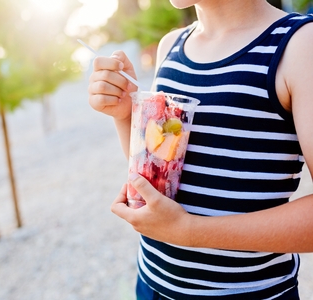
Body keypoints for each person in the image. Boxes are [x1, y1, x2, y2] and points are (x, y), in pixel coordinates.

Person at [88, 0, 313, 298]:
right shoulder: (170, 47)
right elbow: (160, 173)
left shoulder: (299, 45)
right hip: (153, 283)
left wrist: (189, 231)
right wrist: (124, 114)